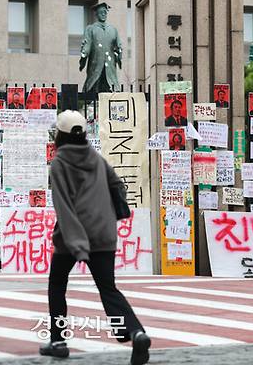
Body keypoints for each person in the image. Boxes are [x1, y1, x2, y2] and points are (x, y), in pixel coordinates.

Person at [40, 110, 151, 365]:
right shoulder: (95, 157)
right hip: (104, 233)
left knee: (57, 284)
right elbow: (117, 184)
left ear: (60, 135)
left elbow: (65, 207)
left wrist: (78, 246)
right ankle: (137, 332)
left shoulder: (59, 163)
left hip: (73, 235)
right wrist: (119, 211)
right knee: (108, 289)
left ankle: (58, 341)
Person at [79, 2, 123, 93]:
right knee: (94, 86)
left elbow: (118, 45)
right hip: (95, 63)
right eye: (101, 12)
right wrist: (83, 57)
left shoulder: (113, 30)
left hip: (109, 65)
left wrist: (119, 52)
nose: (103, 14)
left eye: (105, 12)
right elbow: (87, 46)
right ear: (96, 14)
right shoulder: (91, 29)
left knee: (110, 87)